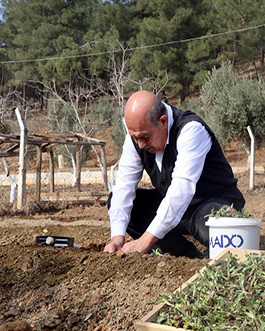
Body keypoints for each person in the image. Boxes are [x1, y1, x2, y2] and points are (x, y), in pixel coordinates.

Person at [104, 90, 245, 258]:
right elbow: (124, 187)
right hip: (176, 209)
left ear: (163, 122)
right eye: (135, 138)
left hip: (211, 202)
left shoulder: (191, 130)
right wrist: (117, 238)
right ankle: (187, 255)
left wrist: (145, 241)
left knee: (216, 226)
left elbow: (181, 190)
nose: (140, 145)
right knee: (123, 203)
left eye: (145, 137)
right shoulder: (136, 138)